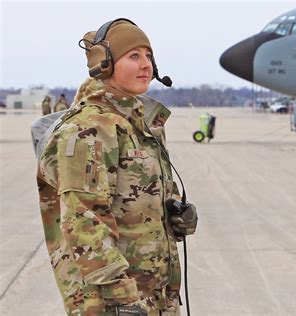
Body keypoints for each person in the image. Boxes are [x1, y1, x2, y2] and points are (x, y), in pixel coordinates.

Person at [36, 18, 197, 316]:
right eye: (133, 56)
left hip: (153, 294)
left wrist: (174, 214)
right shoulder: (89, 130)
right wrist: (121, 299)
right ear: (104, 64)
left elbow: (135, 202)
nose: (146, 65)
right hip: (114, 301)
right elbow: (83, 221)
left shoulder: (138, 125)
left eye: (148, 56)